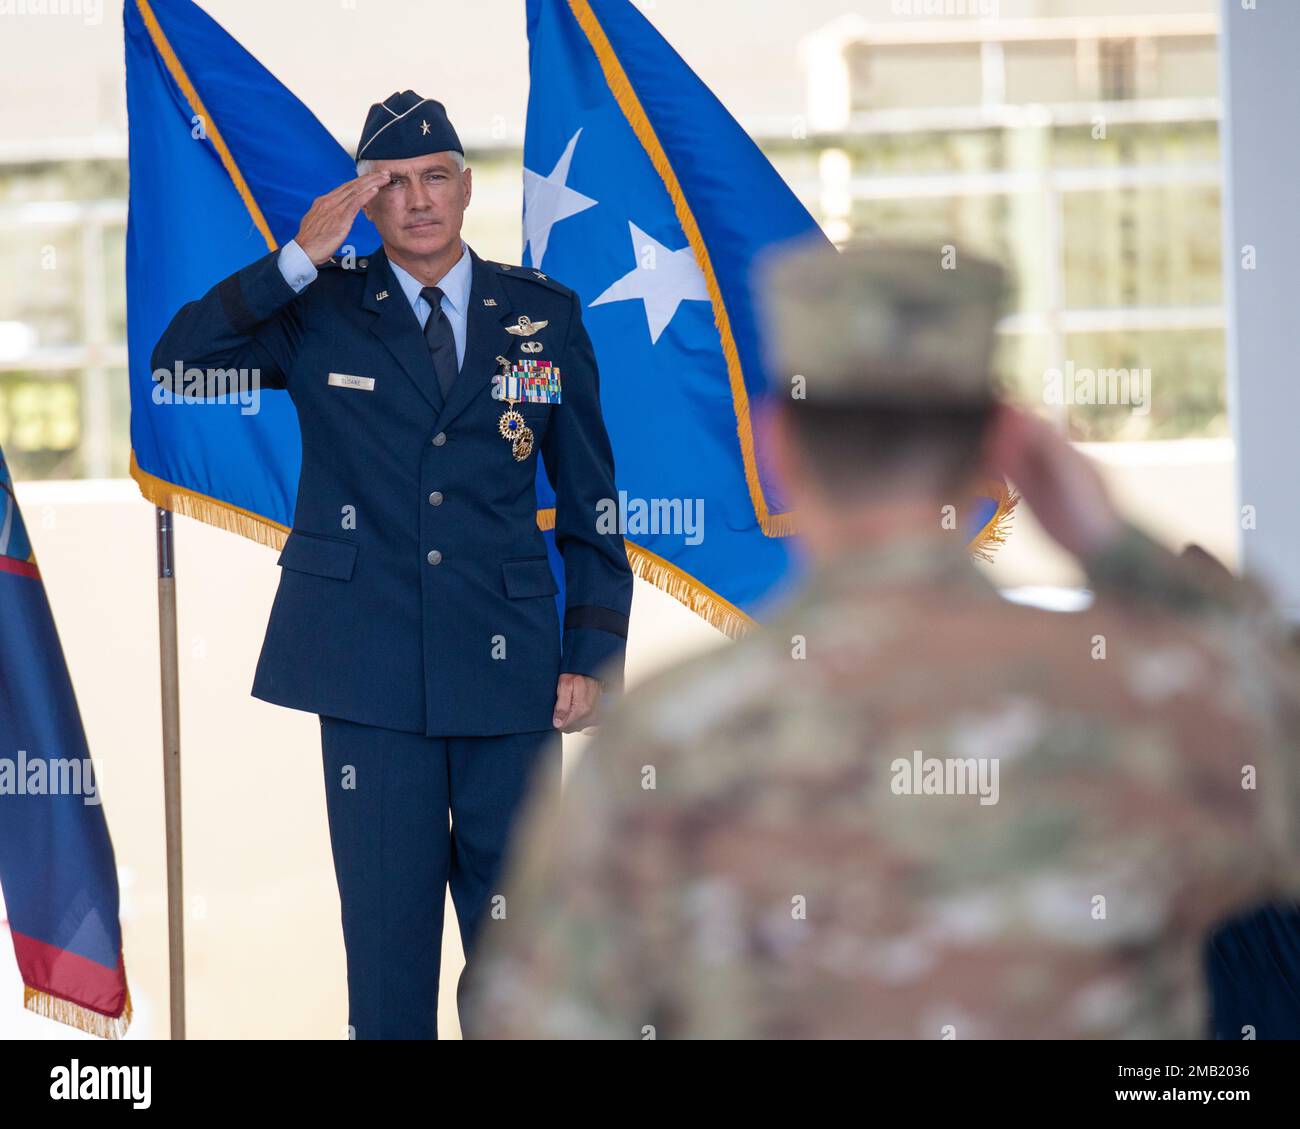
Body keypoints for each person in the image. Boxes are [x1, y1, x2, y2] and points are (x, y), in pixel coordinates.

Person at [461, 238, 1300, 1039]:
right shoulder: (1158, 700)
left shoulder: (671, 736)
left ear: (775, 449)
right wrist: (1118, 547)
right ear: (999, 451)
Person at [150, 90, 633, 1039]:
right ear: (365, 205)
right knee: (386, 946)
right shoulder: (320, 311)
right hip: (369, 678)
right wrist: (297, 260)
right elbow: (177, 364)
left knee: (522, 948)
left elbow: (593, 502)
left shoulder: (542, 319)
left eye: (436, 177)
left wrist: (593, 652)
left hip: (515, 676)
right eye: (392, 183)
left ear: (466, 186)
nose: (418, 199)